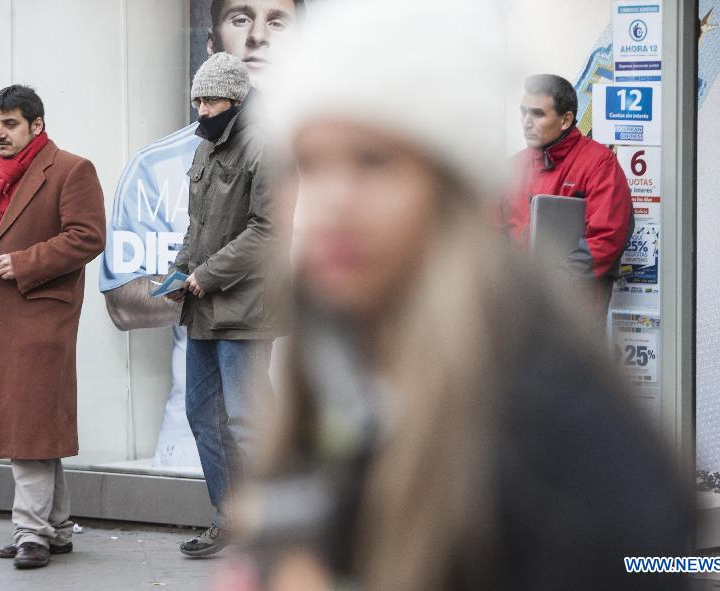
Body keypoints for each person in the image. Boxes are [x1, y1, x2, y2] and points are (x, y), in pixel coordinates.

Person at [215, 1, 691, 589]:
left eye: (373, 161)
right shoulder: (334, 358)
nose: (332, 199)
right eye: (308, 164)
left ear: (448, 188)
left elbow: (602, 239)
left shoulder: (556, 428)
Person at [99, 0, 304, 473]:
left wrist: (208, 278)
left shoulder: (341, 165)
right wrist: (200, 282)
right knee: (214, 419)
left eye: (277, 21)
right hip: (190, 438)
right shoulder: (159, 165)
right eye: (240, 18)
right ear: (211, 48)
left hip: (305, 430)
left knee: (252, 426)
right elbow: (123, 300)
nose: (257, 36)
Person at [0, 85, 106, 569]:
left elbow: (88, 236)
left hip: (40, 317)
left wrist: (26, 261)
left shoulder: (72, 169)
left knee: (29, 428)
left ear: (36, 124)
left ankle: (29, 532)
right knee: (32, 428)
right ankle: (55, 528)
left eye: (9, 124)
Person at [166, 52, 288, 558]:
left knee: (247, 421)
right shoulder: (205, 147)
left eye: (211, 100)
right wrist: (178, 271)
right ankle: (229, 516)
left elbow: (269, 231)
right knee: (202, 415)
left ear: (236, 101)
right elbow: (198, 228)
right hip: (203, 309)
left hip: (246, 310)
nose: (202, 108)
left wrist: (205, 275)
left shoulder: (268, 146)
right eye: (196, 99)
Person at [502, 73, 634, 318]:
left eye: (538, 114)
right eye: (523, 112)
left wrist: (552, 288)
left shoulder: (599, 164)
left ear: (566, 120)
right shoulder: (512, 168)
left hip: (572, 318)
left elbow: (605, 238)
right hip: (515, 310)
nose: (526, 122)